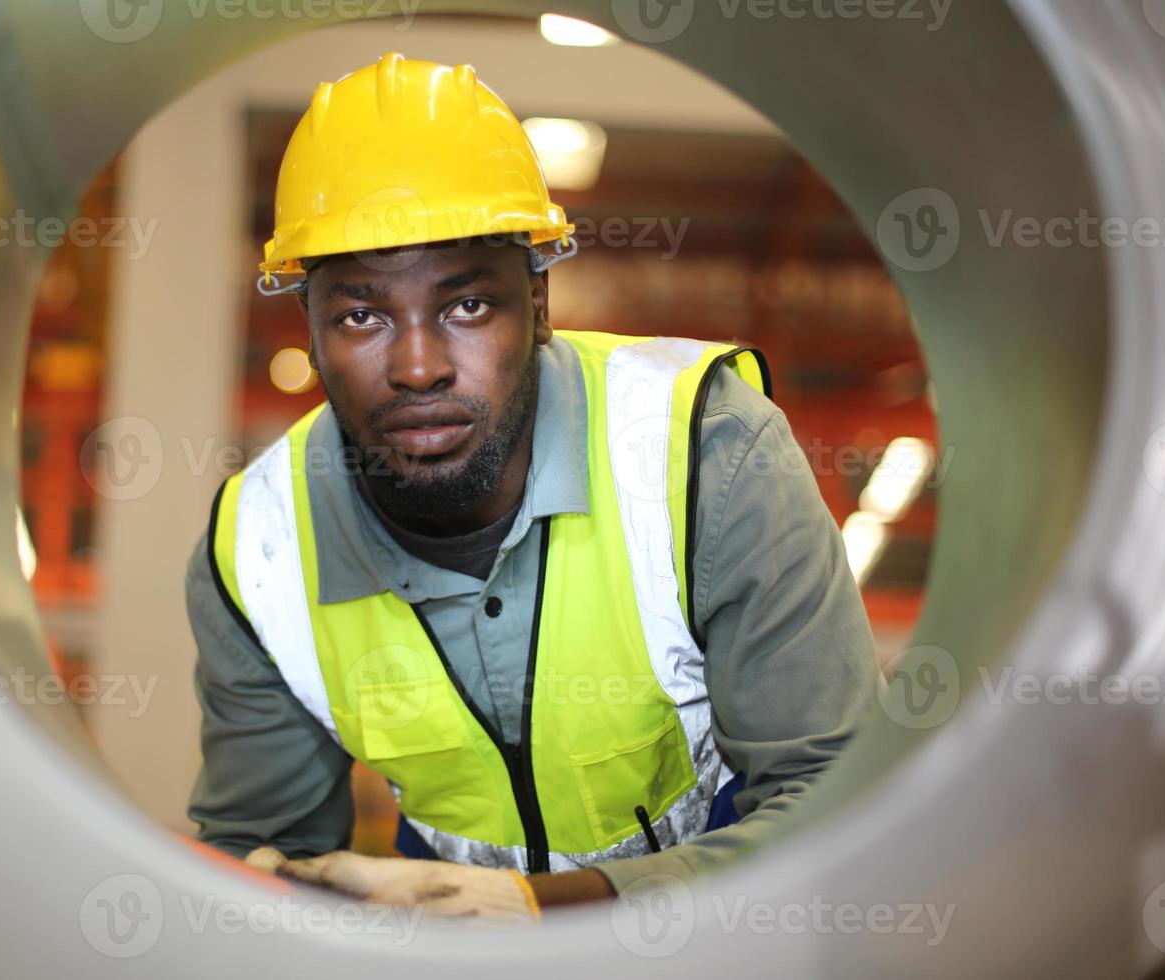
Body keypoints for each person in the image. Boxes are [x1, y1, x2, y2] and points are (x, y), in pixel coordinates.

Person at [185, 51, 878, 920]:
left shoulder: (707, 453)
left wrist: (545, 908)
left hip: (725, 926)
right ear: (313, 333)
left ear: (540, 305)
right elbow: (261, 867)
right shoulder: (256, 549)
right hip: (441, 926)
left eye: (466, 305)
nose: (418, 366)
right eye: (362, 314)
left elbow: (840, 809)